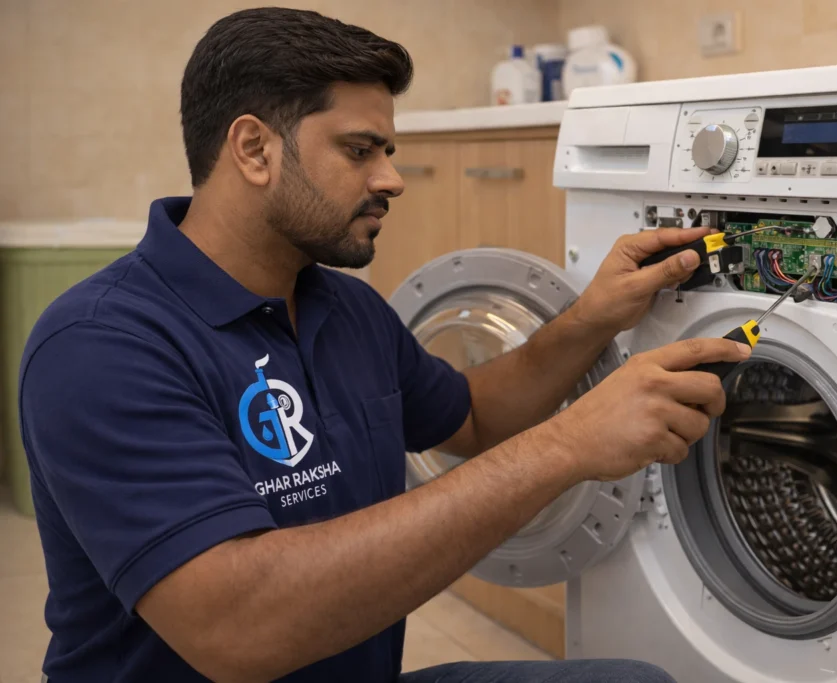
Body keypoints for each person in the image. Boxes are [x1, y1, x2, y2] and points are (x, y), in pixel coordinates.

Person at [18, 7, 750, 683]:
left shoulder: (346, 308)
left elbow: (470, 418)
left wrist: (592, 317)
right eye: (360, 149)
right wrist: (567, 445)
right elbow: (236, 626)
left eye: (389, 150)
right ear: (252, 149)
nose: (391, 178)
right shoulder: (100, 344)